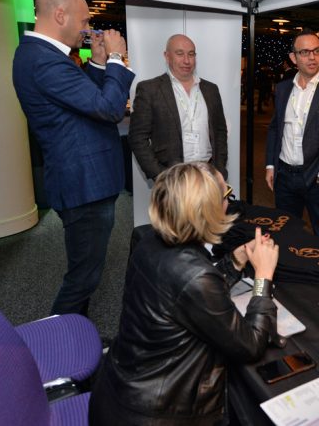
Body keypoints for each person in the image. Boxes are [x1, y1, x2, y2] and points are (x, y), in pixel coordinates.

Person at [89, 162, 278, 426]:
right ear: (209, 209)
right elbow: (252, 345)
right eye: (226, 196)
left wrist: (235, 260)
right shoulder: (196, 275)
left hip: (118, 394)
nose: (228, 203)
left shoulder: (149, 243)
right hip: (157, 415)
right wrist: (263, 278)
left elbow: (188, 297)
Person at [12, 0, 134, 316]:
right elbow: (109, 109)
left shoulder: (45, 57)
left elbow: (85, 105)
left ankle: (74, 337)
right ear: (60, 15)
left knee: (86, 274)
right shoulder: (43, 60)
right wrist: (114, 58)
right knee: (82, 278)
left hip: (86, 182)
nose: (87, 29)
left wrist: (95, 64)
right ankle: (62, 349)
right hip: (83, 185)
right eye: (84, 20)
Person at [265, 29, 319, 240]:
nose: (312, 57)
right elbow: (276, 128)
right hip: (284, 176)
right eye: (305, 52)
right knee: (284, 234)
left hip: (317, 178)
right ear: (293, 58)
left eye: (317, 51)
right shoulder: (283, 88)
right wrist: (270, 165)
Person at [129, 34, 228, 180]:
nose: (187, 61)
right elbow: (137, 138)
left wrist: (219, 169)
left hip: (208, 174)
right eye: (180, 54)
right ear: (167, 56)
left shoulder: (211, 89)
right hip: (172, 176)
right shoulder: (150, 89)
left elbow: (220, 132)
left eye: (191, 54)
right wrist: (160, 175)